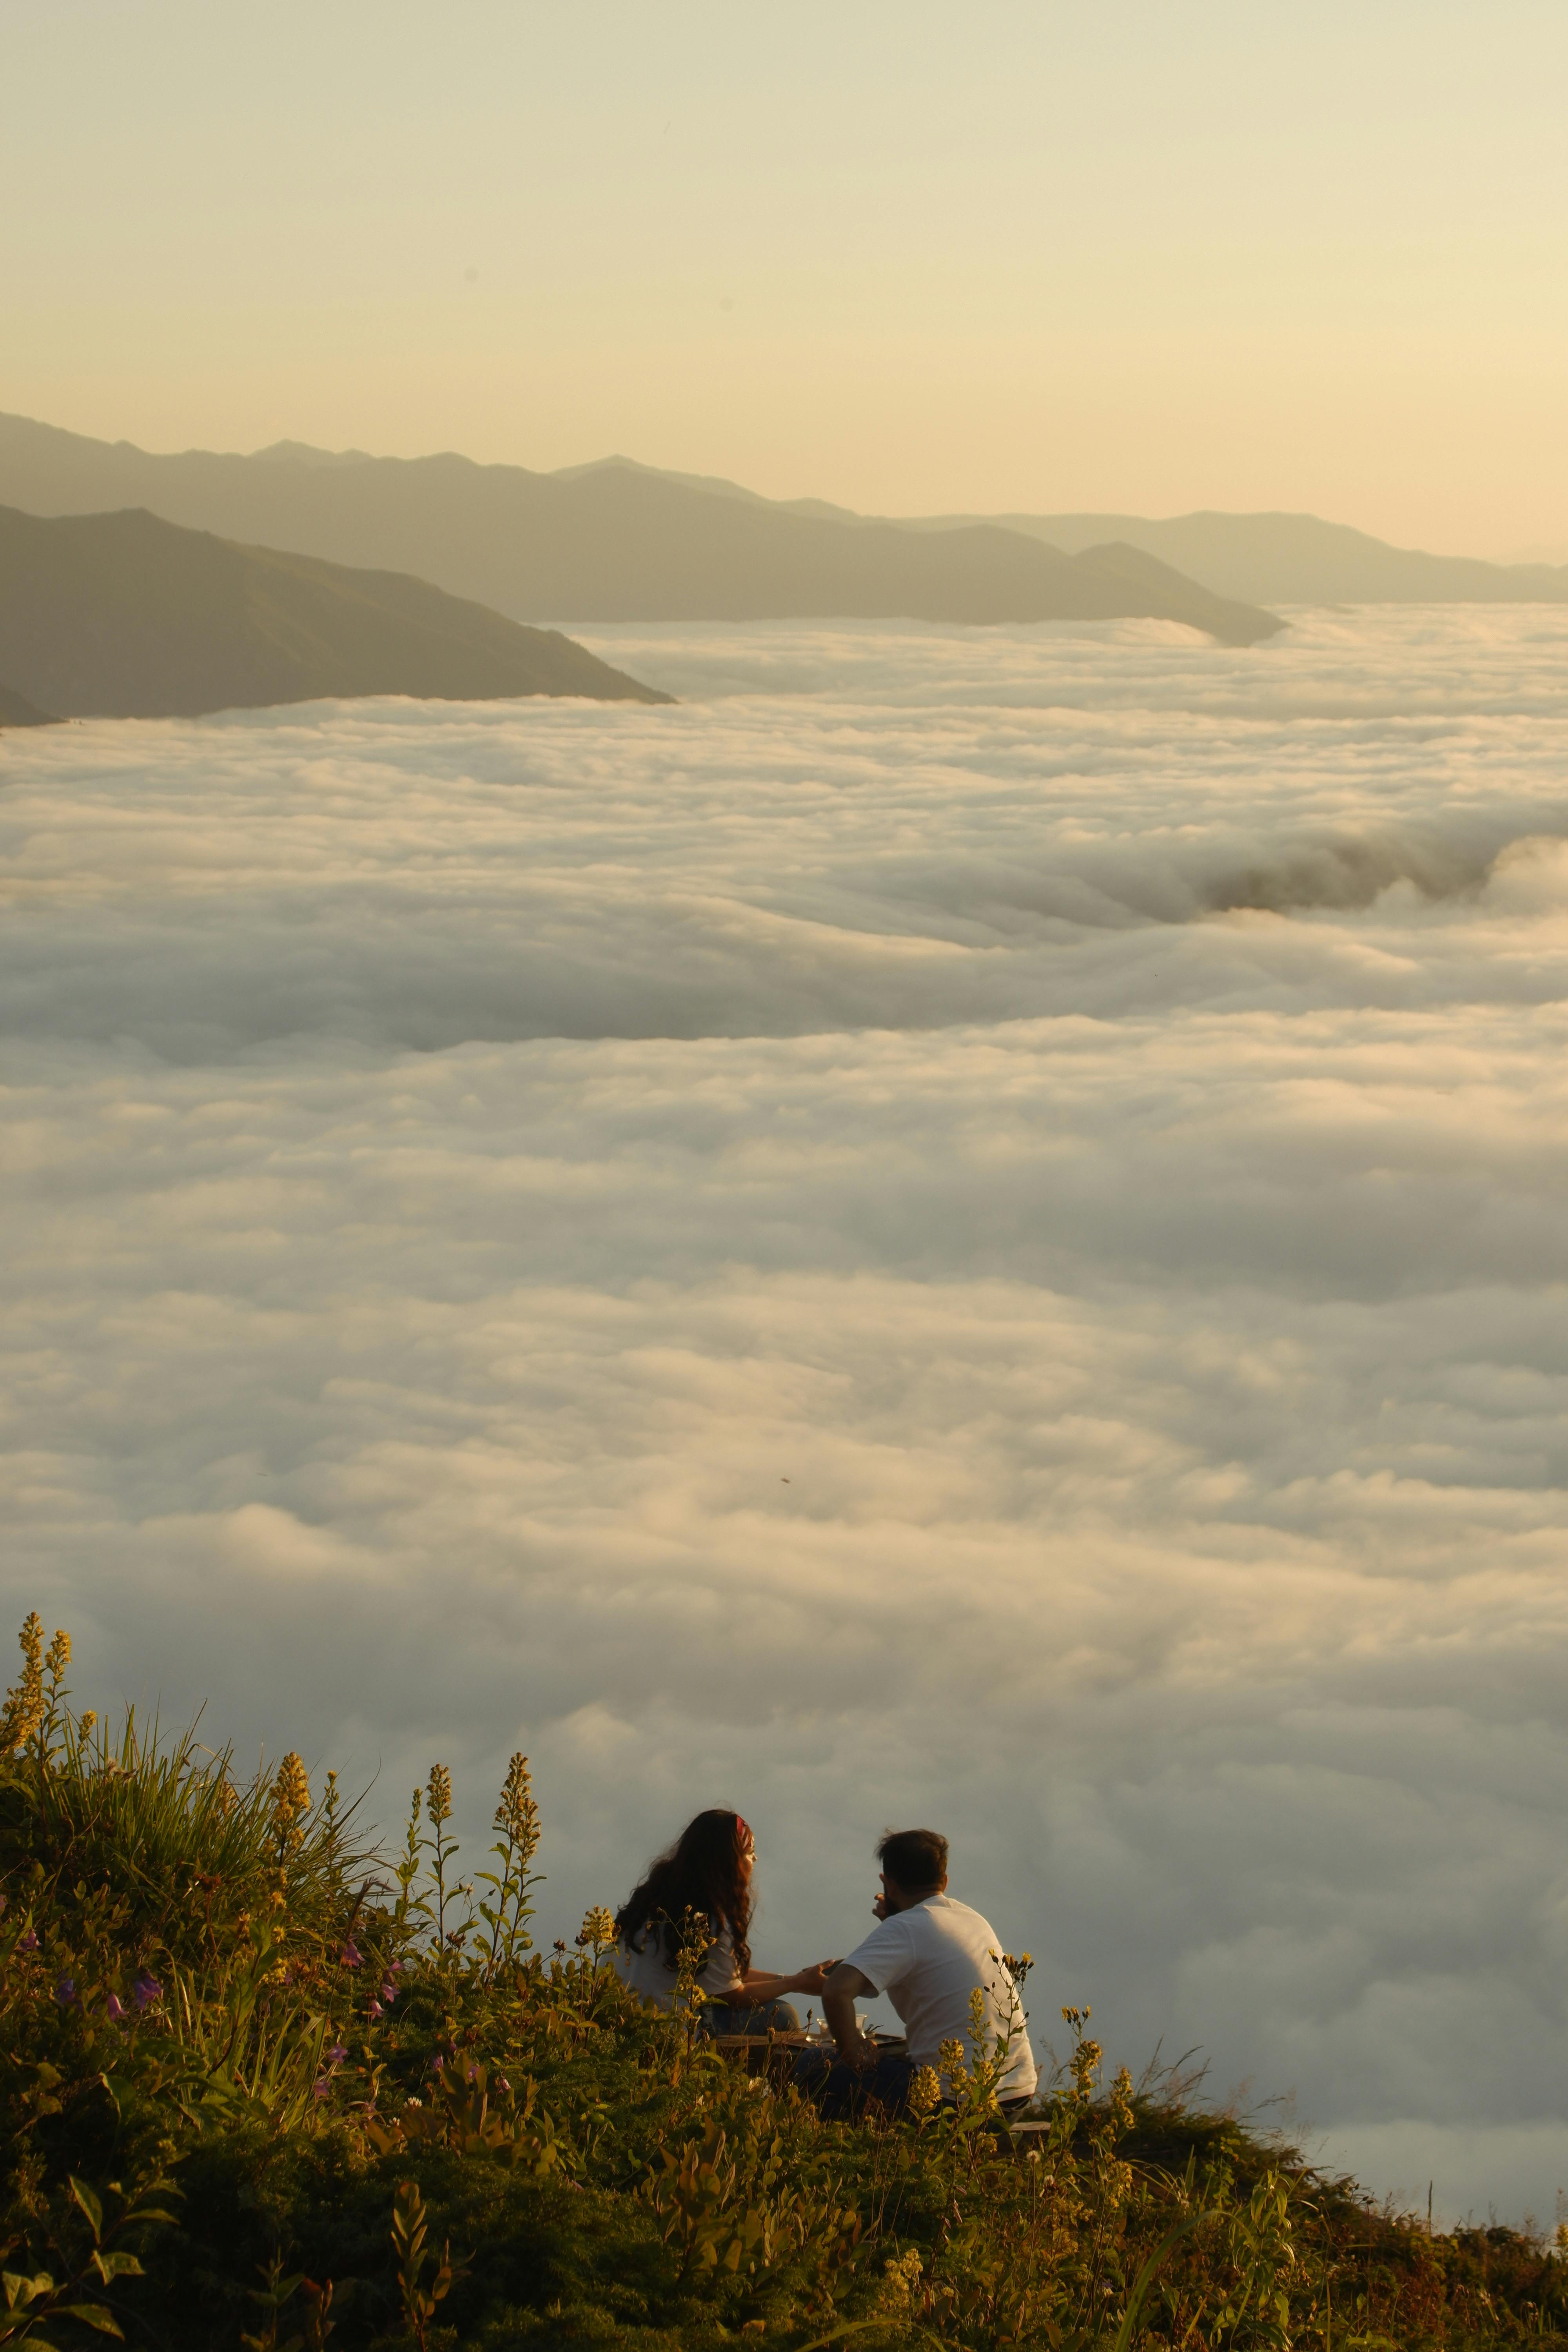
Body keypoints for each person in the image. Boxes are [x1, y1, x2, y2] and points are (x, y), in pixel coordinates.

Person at [796, 1826, 1037, 2118]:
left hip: (953, 2104)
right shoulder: (972, 1920)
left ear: (890, 1884)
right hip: (1014, 2098)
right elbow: (918, 1954)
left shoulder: (904, 1928)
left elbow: (837, 1991)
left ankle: (869, 2157)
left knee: (812, 2065)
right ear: (944, 1882)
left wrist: (854, 2051)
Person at [612, 1807, 826, 2034]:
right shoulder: (710, 1918)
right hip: (670, 2028)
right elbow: (732, 1995)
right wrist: (798, 1984)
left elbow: (722, 1975)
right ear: (730, 1861)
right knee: (783, 2016)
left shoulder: (660, 1896)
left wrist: (795, 1979)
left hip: (622, 2015)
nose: (755, 1858)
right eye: (749, 1851)